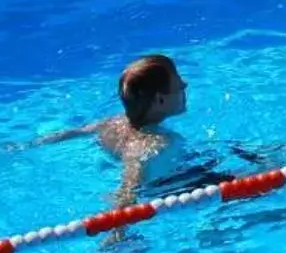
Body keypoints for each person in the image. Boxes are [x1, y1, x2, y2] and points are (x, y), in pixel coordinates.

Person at [38, 54, 192, 207]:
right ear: (160, 100)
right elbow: (129, 187)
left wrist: (30, 145)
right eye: (179, 85)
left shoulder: (111, 123)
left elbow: (73, 133)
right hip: (161, 190)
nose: (185, 84)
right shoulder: (155, 143)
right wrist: (118, 230)